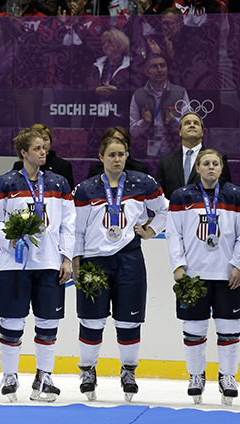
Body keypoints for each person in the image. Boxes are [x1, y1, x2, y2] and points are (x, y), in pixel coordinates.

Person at [72, 135, 168, 402]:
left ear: (127, 156)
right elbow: (76, 229)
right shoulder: (85, 189)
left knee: (129, 319)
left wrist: (150, 231)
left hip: (129, 258)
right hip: (94, 261)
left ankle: (128, 371)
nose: (117, 159)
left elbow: (164, 211)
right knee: (91, 319)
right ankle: (88, 370)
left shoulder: (142, 182)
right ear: (100, 157)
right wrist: (76, 259)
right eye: (112, 155)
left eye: (121, 154)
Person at [0, 129, 75, 402]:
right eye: (37, 148)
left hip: (49, 263)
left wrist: (67, 257)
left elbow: (68, 224)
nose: (43, 151)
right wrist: (11, 239)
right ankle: (9, 375)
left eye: (44, 146)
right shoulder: (5, 182)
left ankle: (44, 377)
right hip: (15, 264)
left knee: (48, 322)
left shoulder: (59, 183)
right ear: (23, 152)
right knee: (12, 321)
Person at [165, 149, 240, 405]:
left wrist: (238, 265)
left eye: (216, 163)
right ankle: (195, 376)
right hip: (193, 276)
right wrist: (178, 266)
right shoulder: (181, 196)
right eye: (206, 163)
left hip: (227, 276)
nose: (211, 167)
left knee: (229, 329)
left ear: (222, 168)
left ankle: (227, 377)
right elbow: (173, 235)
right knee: (193, 330)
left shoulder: (236, 195)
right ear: (198, 168)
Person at [155, 112, 231, 200]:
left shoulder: (218, 159)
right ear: (180, 132)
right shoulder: (166, 161)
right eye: (187, 123)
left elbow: (226, 193)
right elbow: (159, 195)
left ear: (202, 132)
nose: (192, 125)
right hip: (174, 212)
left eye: (196, 123)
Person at [129, 55, 189, 158]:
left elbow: (189, 126)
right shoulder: (138, 95)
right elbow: (133, 132)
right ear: (147, 72)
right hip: (145, 155)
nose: (160, 70)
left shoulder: (180, 92)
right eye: (154, 66)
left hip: (174, 152)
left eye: (162, 66)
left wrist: (174, 120)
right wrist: (144, 122)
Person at [12, 124, 74, 189]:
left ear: (51, 141)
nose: (43, 143)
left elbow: (68, 193)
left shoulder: (62, 166)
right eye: (38, 139)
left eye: (45, 139)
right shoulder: (19, 166)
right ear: (24, 152)